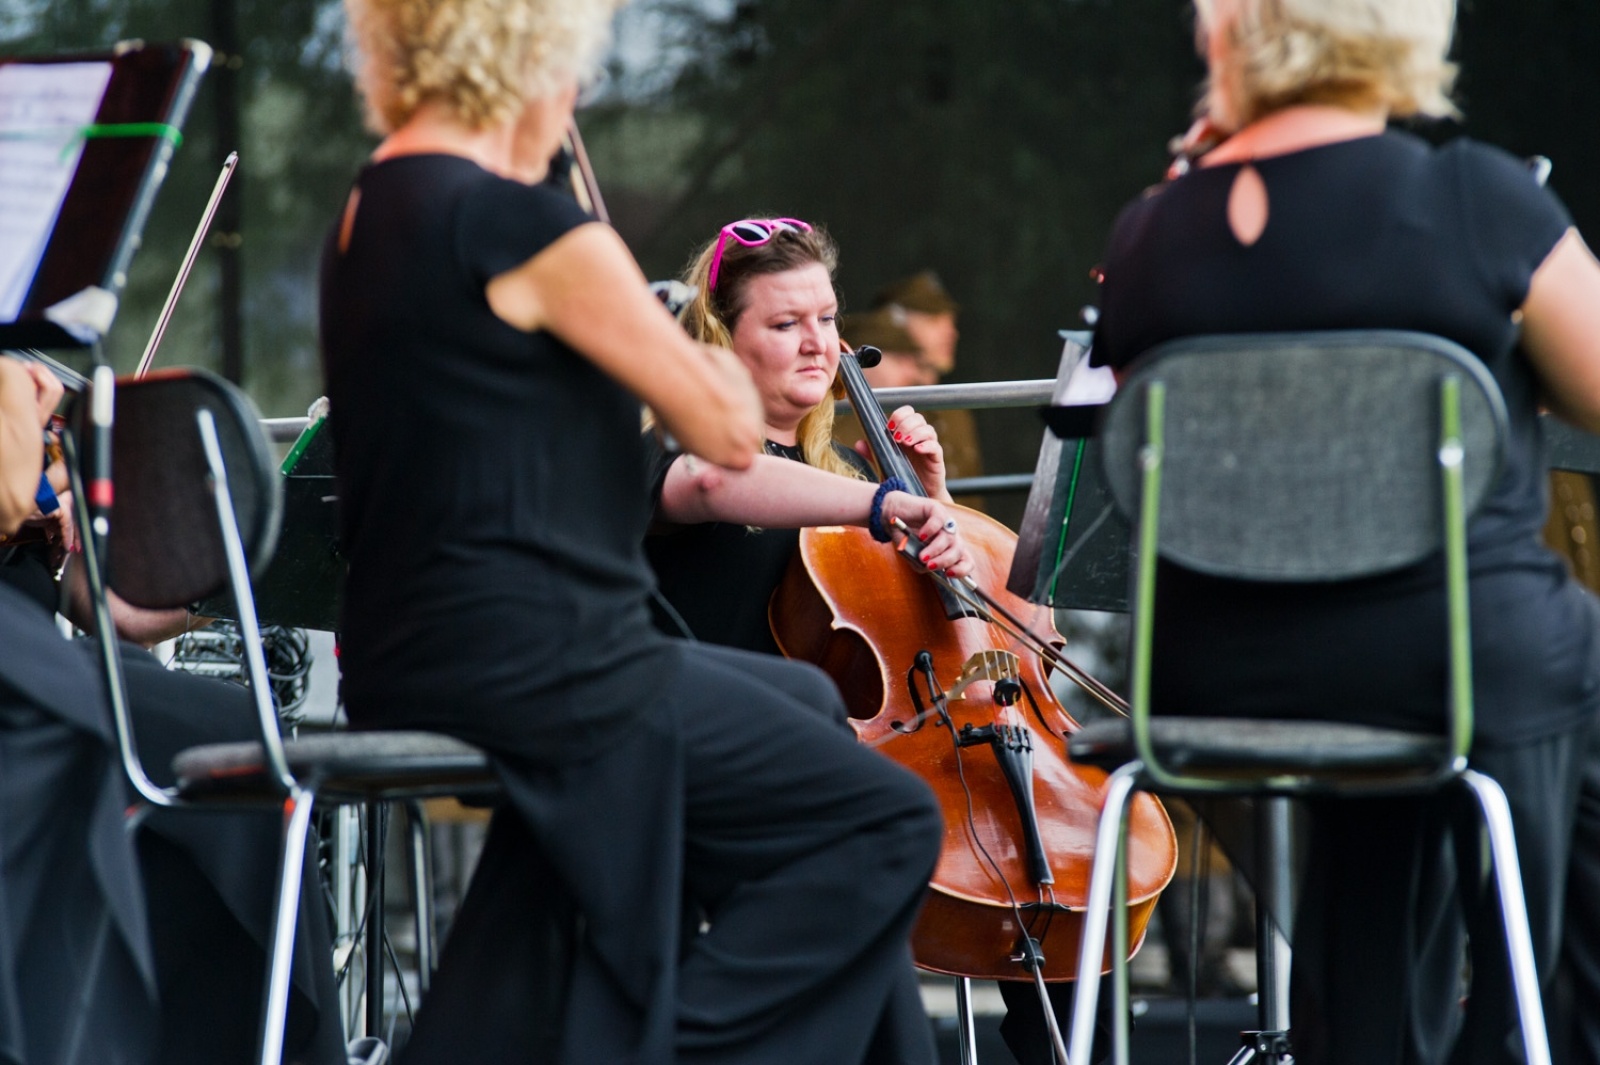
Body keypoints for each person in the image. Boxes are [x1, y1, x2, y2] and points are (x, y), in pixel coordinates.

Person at [317, 2, 950, 1062]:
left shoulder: (369, 209)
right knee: (885, 820)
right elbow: (726, 433)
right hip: (544, 659)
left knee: (802, 702)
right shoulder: (523, 226)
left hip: (409, 651)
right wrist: (666, 340)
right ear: (534, 64)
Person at [1087, 1, 1600, 1063]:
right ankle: (1524, 1026)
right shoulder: (1474, 195)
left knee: (1384, 810)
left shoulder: (1149, 230)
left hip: (1216, 671)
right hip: (1450, 656)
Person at [646, 218, 973, 656]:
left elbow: (952, 625)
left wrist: (931, 497)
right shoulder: (672, 447)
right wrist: (886, 503)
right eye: (786, 324)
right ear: (721, 336)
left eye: (826, 318)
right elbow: (715, 479)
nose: (818, 343)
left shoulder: (850, 471)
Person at [873, 271, 985, 508]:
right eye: (933, 321)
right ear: (896, 323)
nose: (951, 333)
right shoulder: (883, 408)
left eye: (951, 322)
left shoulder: (956, 411)